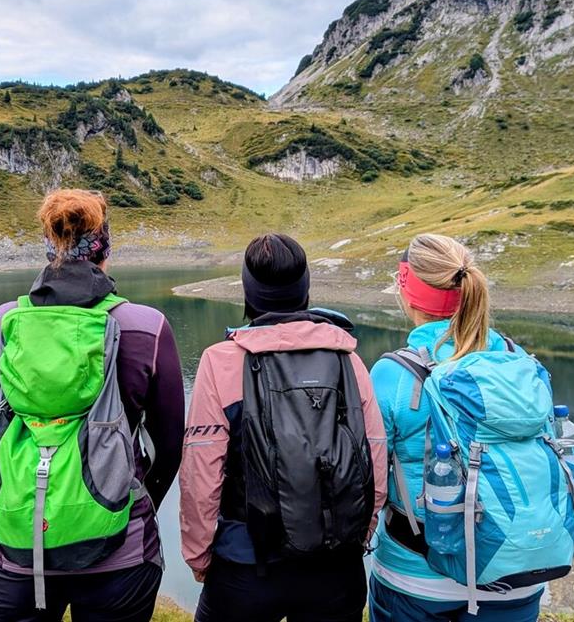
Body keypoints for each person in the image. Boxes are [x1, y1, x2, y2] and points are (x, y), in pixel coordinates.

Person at [0, 189, 185, 622]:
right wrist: (133, 501)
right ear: (105, 248)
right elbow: (169, 446)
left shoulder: (2, 324)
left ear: (50, 248)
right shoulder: (146, 327)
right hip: (119, 555)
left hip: (18, 552)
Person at [181, 233, 387, 622]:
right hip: (335, 565)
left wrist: (199, 553)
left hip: (246, 564)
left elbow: (201, 471)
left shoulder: (220, 361)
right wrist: (357, 535)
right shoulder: (348, 359)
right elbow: (373, 459)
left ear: (248, 290)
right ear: (305, 287)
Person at [369, 233, 550, 622]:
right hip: (516, 570)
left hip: (416, 579)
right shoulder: (519, 362)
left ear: (408, 292)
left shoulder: (391, 375)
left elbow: (369, 483)